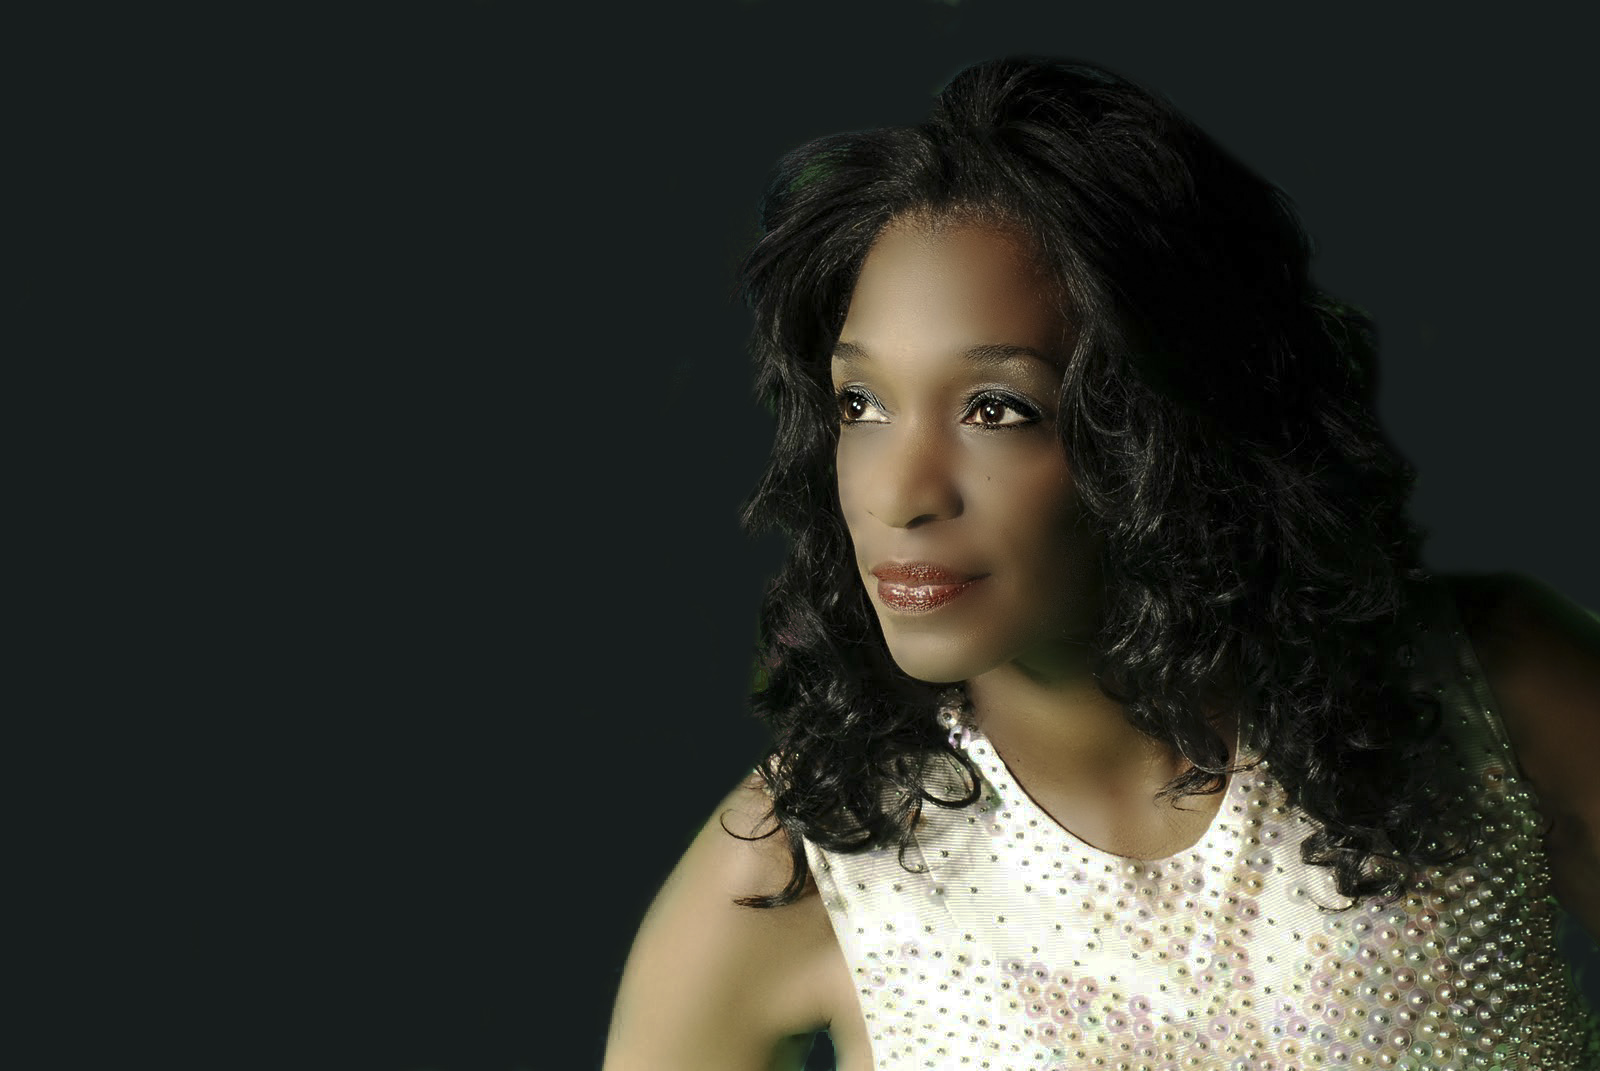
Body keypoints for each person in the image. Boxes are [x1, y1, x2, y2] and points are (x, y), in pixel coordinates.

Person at [603, 56, 1600, 1070]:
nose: (899, 494)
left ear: (1163, 426)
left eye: (996, 409)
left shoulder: (1487, 693)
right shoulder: (797, 862)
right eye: (861, 403)